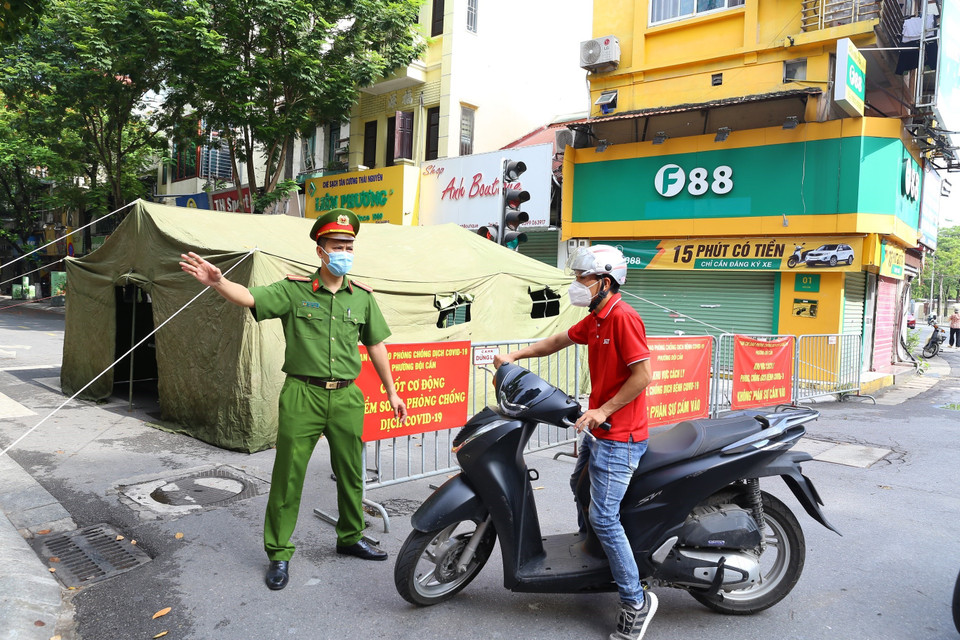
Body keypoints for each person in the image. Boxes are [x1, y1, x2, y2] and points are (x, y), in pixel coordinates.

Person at [179, 208, 407, 591]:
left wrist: (391, 390)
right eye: (338, 246)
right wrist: (218, 283)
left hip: (348, 396)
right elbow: (250, 297)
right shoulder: (294, 290)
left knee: (351, 471)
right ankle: (280, 553)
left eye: (350, 246)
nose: (345, 253)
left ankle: (350, 537)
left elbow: (376, 345)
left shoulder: (363, 297)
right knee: (288, 476)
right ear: (321, 251)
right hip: (303, 393)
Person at [493, 244, 656, 640]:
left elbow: (643, 376)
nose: (576, 286)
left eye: (581, 279)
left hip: (620, 436)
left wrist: (603, 410)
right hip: (599, 431)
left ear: (604, 280)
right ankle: (597, 556)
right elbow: (557, 341)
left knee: (603, 516)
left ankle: (636, 600)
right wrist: (515, 356)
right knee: (575, 484)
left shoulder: (622, 317)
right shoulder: (596, 317)